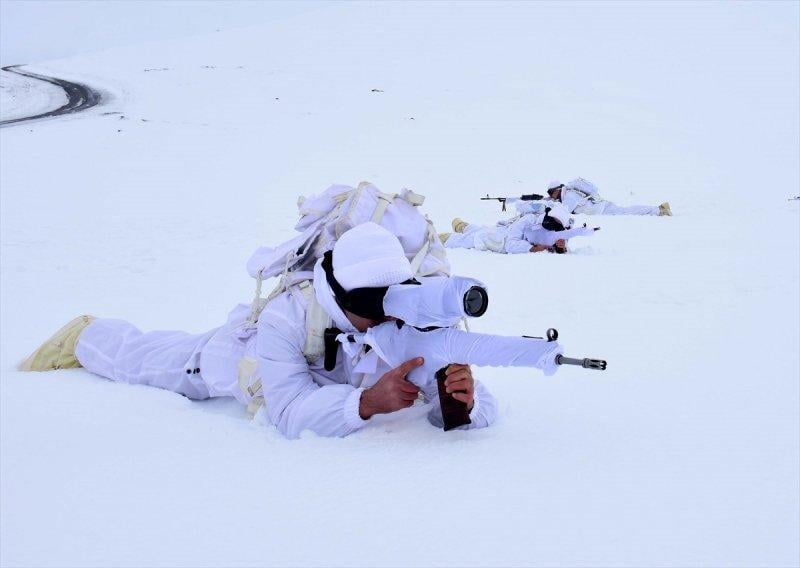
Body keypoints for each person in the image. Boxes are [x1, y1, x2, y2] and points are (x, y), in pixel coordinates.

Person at [19, 223, 498, 438]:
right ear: (339, 294)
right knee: (146, 361)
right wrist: (367, 403)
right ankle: (83, 334)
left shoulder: (414, 312)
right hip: (236, 362)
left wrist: (461, 407)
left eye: (393, 299)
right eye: (370, 304)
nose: (385, 316)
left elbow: (469, 395)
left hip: (320, 384)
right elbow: (287, 412)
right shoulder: (289, 315)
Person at [440, 202, 597, 254]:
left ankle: (461, 226)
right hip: (501, 236)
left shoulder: (562, 226)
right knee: (475, 238)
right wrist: (530, 248)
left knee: (481, 231)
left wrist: (560, 248)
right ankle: (446, 235)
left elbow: (561, 244)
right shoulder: (530, 219)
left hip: (500, 232)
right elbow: (510, 244)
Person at [546, 178, 672, 216]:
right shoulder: (568, 193)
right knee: (627, 211)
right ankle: (658, 210)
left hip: (601, 209)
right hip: (600, 206)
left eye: (551, 193)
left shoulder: (568, 195)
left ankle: (659, 210)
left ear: (557, 190)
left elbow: (563, 212)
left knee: (628, 212)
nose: (551, 196)